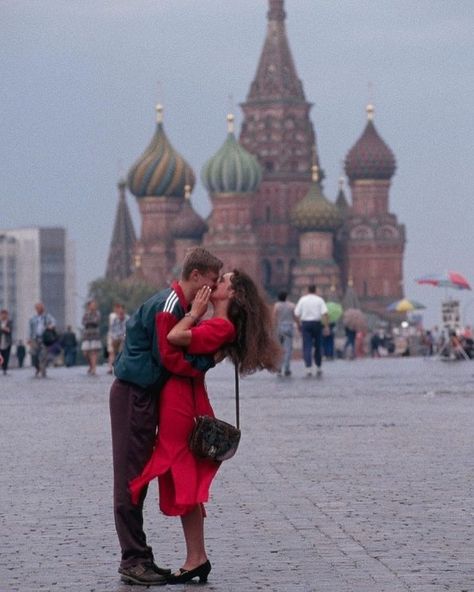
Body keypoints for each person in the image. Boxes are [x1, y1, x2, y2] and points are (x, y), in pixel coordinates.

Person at [129, 270, 281, 585]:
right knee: (183, 479)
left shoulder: (220, 326)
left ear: (234, 295)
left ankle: (196, 557)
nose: (216, 284)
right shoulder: (215, 324)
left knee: (183, 477)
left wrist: (194, 313)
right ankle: (195, 557)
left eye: (223, 281)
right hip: (180, 401)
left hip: (184, 407)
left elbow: (174, 337)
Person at [109, 247, 223, 587]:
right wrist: (208, 361)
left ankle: (139, 555)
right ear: (197, 275)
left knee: (139, 475)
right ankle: (133, 559)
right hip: (134, 394)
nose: (215, 286)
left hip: (144, 394)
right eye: (213, 280)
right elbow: (169, 357)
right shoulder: (171, 306)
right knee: (131, 477)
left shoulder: (181, 307)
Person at [294, 284, 329, 377]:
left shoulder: (302, 300)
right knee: (318, 345)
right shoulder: (320, 300)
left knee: (307, 346)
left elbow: (296, 314)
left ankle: (308, 368)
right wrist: (326, 326)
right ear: (315, 290)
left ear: (307, 290)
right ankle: (318, 366)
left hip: (306, 324)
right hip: (317, 324)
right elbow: (325, 314)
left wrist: (298, 325)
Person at [29, 302, 56, 378]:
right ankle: (37, 368)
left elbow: (54, 322)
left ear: (43, 309)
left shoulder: (47, 317)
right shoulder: (33, 318)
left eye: (40, 308)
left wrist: (50, 326)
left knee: (43, 356)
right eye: (37, 308)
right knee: (33, 354)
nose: (38, 309)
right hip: (35, 338)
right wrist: (29, 339)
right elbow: (30, 329)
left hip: (44, 339)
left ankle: (43, 371)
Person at [273, 291, 295, 376]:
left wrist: (274, 327)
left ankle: (279, 367)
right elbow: (294, 316)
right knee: (288, 349)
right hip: (289, 327)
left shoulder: (277, 305)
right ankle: (287, 368)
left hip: (280, 327)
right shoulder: (291, 305)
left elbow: (274, 316)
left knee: (279, 348)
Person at [81, 300, 101, 376]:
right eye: (92, 305)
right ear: (89, 306)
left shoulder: (97, 313)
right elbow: (83, 322)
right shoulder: (86, 314)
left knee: (93, 352)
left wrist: (89, 322)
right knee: (85, 352)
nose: (93, 306)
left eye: (94, 305)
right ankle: (91, 365)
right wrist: (90, 322)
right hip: (87, 335)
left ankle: (94, 368)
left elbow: (96, 322)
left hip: (95, 334)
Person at [107, 303, 128, 374]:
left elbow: (128, 330)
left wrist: (124, 337)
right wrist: (114, 338)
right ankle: (110, 367)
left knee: (121, 351)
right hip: (115, 338)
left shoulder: (127, 318)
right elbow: (112, 330)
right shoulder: (115, 319)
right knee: (111, 352)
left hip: (123, 338)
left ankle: (120, 367)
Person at [0, 309, 13, 375]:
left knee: (6, 356)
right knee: (1, 355)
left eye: (5, 314)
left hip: (7, 342)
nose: (4, 315)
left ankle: (5, 369)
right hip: (1, 341)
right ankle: (2, 367)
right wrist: (4, 329)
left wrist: (3, 329)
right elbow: (6, 330)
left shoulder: (9, 322)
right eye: (2, 314)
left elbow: (9, 330)